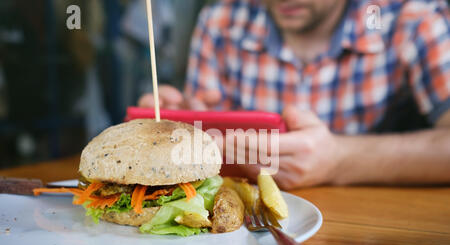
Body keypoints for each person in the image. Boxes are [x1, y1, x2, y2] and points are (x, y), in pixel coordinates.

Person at [138, 0, 450, 190]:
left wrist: (340, 160)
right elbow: (211, 156)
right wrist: (187, 120)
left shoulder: (415, 19)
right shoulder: (219, 20)